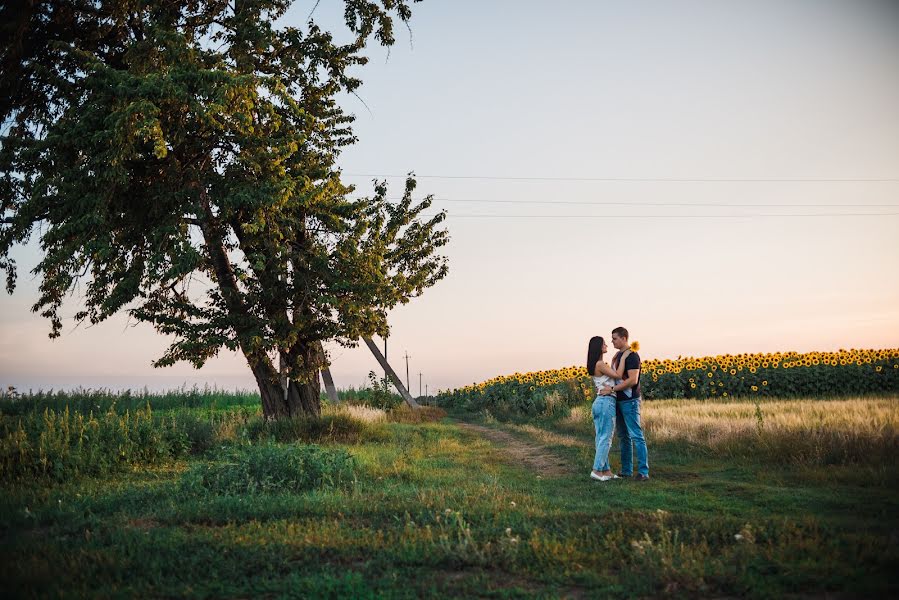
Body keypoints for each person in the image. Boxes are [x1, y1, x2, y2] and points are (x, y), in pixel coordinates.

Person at [599, 326, 650, 481]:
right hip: (618, 400)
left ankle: (643, 471)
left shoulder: (632, 356)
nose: (612, 341)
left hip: (630, 400)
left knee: (636, 435)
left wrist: (612, 389)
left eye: (614, 338)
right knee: (623, 436)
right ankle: (627, 470)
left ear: (624, 338)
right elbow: (616, 375)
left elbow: (632, 380)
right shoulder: (617, 356)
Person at [587, 336, 629, 481]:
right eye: (604, 343)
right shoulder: (600, 364)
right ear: (599, 347)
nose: (607, 345)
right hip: (606, 402)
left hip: (599, 402)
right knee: (606, 438)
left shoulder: (595, 364)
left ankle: (606, 471)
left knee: (600, 438)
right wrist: (623, 357)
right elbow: (618, 375)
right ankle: (597, 471)